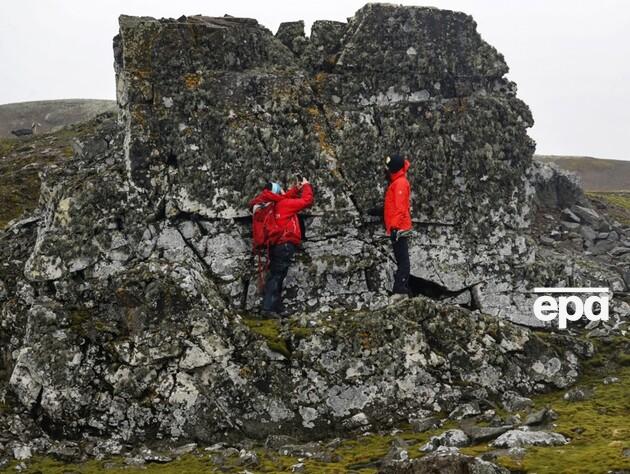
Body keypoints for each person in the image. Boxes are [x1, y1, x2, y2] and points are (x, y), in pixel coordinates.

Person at [249, 177, 313, 317]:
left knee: (277, 275)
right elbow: (307, 201)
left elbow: (285, 197)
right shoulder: (284, 205)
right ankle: (268, 309)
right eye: (282, 190)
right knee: (277, 276)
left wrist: (296, 189)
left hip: (275, 244)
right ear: (278, 193)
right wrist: (307, 186)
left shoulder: (270, 205)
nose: (284, 192)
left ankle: (276, 308)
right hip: (284, 244)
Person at [384, 154, 412, 301]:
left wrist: (394, 227)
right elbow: (393, 206)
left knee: (403, 260)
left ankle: (401, 290)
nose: (386, 170)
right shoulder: (397, 182)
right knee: (402, 259)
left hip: (399, 228)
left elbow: (400, 208)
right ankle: (401, 289)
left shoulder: (400, 183)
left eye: (388, 168)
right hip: (397, 226)